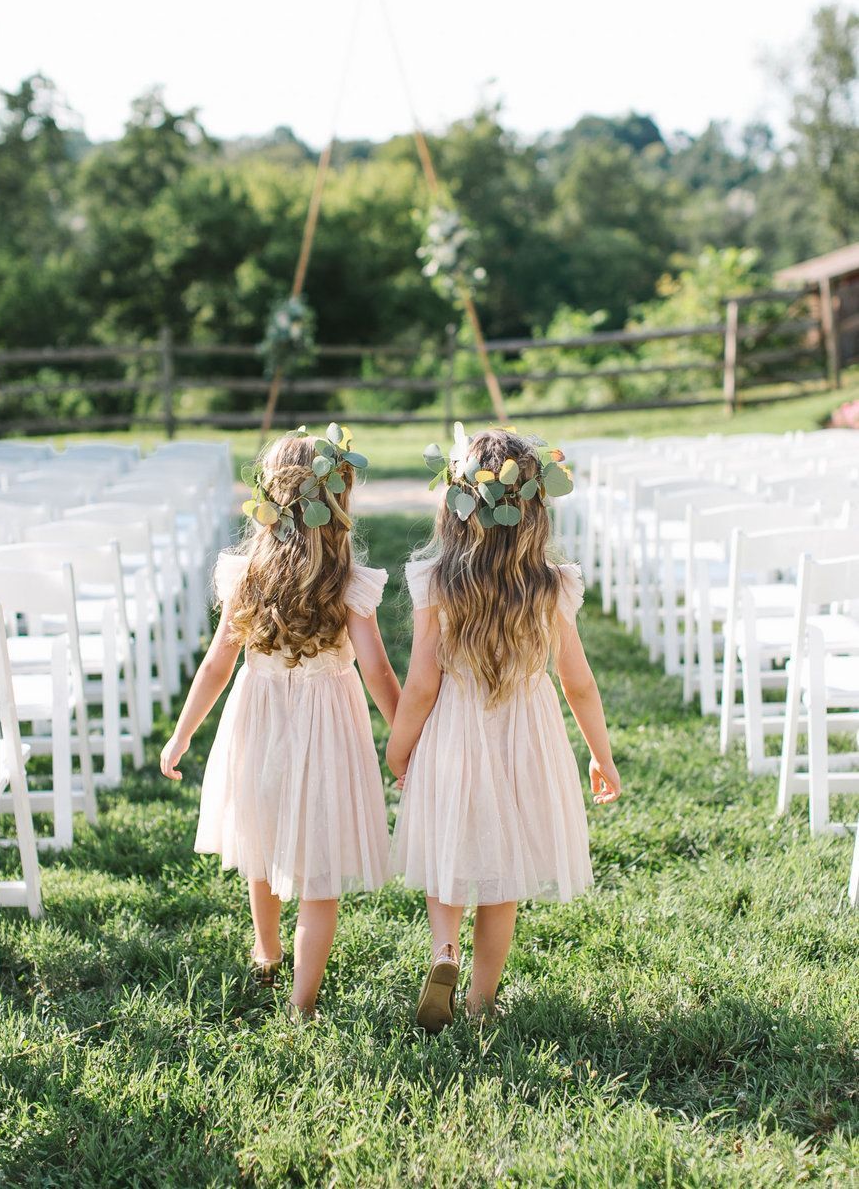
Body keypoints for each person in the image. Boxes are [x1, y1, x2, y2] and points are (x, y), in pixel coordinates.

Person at [386, 424, 620, 1031]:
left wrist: (399, 748)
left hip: (453, 731)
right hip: (526, 737)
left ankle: (444, 950)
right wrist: (601, 755)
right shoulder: (551, 584)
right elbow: (578, 682)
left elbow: (421, 683)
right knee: (503, 871)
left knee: (448, 848)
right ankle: (482, 1000)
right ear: (535, 510)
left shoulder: (437, 579)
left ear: (458, 504)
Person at [161, 426, 399, 1017]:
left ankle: (267, 952)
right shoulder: (348, 581)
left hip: (259, 718)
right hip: (329, 726)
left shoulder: (248, 573)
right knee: (321, 868)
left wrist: (183, 732)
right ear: (338, 502)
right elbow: (376, 669)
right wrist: (407, 736)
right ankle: (301, 1000)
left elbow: (217, 664)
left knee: (261, 840)